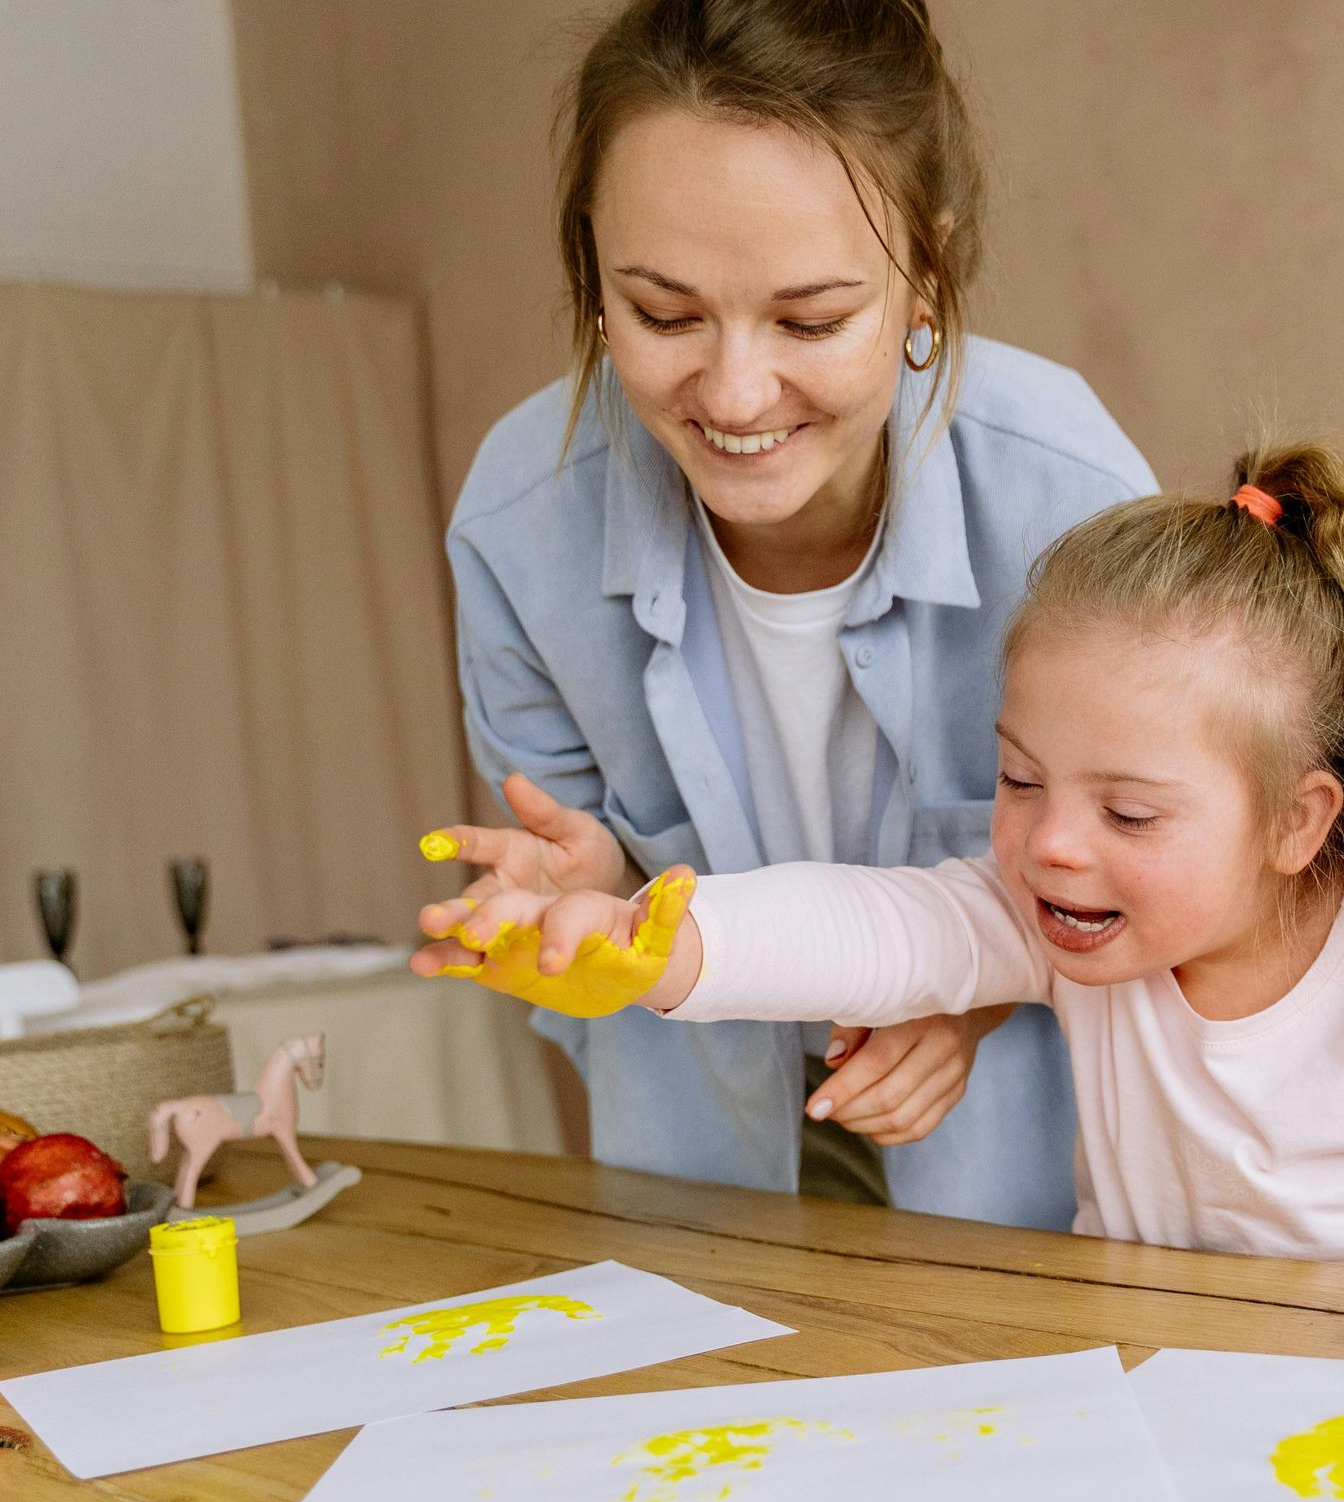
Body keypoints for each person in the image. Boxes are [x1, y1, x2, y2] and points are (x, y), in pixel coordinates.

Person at [418, 438, 1344, 1388]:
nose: (1050, 845)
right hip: (1171, 1430)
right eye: (1018, 778)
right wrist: (653, 936)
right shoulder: (1069, 931)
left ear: (1297, 822)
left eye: (1132, 815)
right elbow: (880, 929)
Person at [422, 0, 1154, 1228]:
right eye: (662, 316)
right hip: (699, 1189)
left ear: (927, 275)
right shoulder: (519, 522)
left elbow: (1179, 889)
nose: (738, 390)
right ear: (592, 278)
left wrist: (969, 994)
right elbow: (588, 895)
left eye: (811, 321)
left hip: (1028, 1202)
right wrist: (588, 890)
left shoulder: (1070, 504)